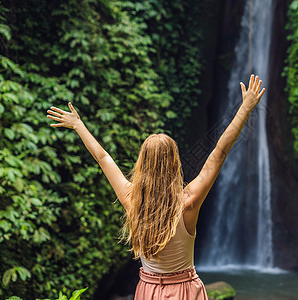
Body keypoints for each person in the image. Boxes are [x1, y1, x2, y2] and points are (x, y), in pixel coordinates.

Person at [46, 74, 265, 299]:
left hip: (149, 290)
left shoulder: (132, 200)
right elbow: (219, 152)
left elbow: (103, 158)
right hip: (185, 290)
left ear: (142, 164)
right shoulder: (188, 201)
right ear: (174, 163)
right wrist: (245, 108)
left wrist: (78, 125)